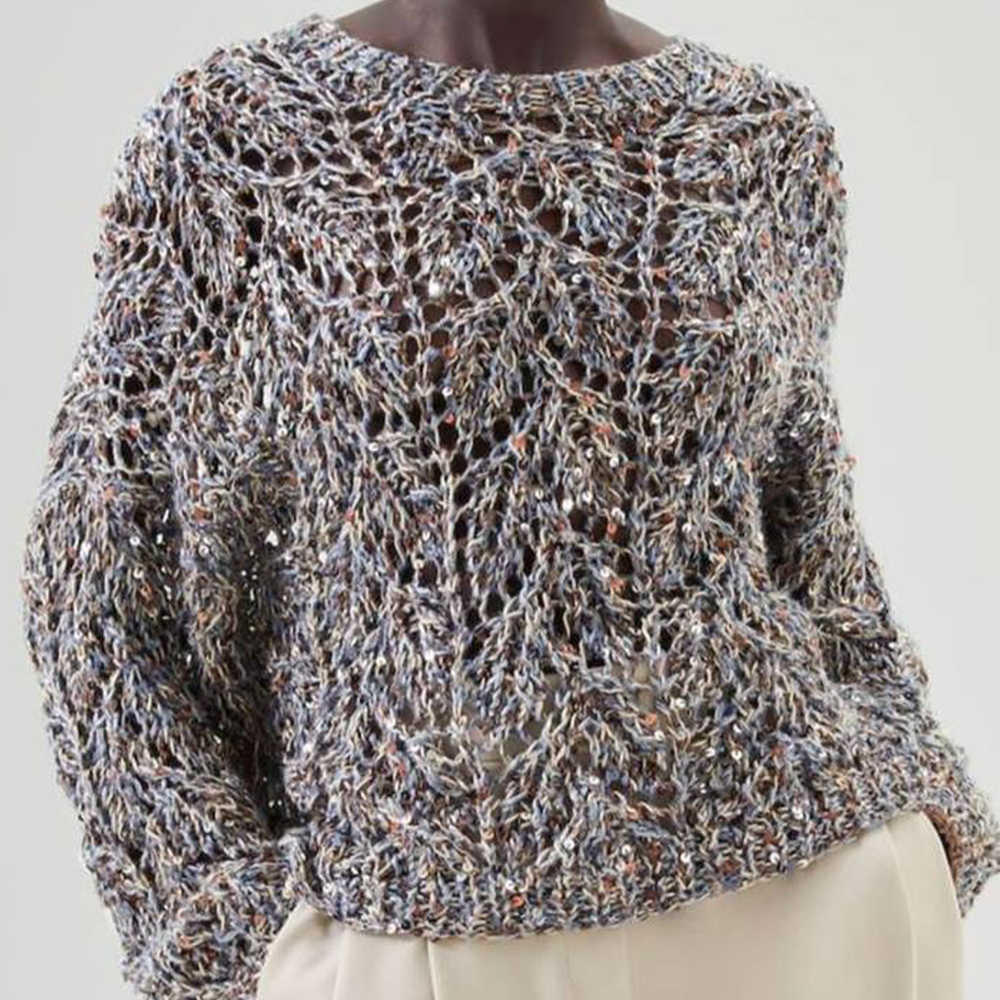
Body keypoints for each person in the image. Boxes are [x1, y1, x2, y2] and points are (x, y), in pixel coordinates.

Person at [19, 4, 999, 999]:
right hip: (418, 924)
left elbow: (807, 534)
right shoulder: (239, 138)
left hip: (814, 897)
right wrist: (229, 935)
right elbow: (97, 572)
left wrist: (916, 792)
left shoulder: (761, 136)